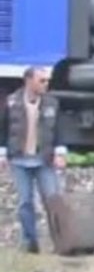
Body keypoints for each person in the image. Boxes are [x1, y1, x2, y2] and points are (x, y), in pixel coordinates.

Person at [0, 66, 67, 253]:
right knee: (25, 202)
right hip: (19, 161)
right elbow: (3, 129)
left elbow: (59, 130)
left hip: (44, 159)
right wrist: (2, 154)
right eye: (42, 80)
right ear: (28, 81)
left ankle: (61, 241)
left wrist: (60, 153)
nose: (46, 84)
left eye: (47, 80)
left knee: (53, 200)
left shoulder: (52, 103)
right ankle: (30, 242)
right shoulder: (12, 102)